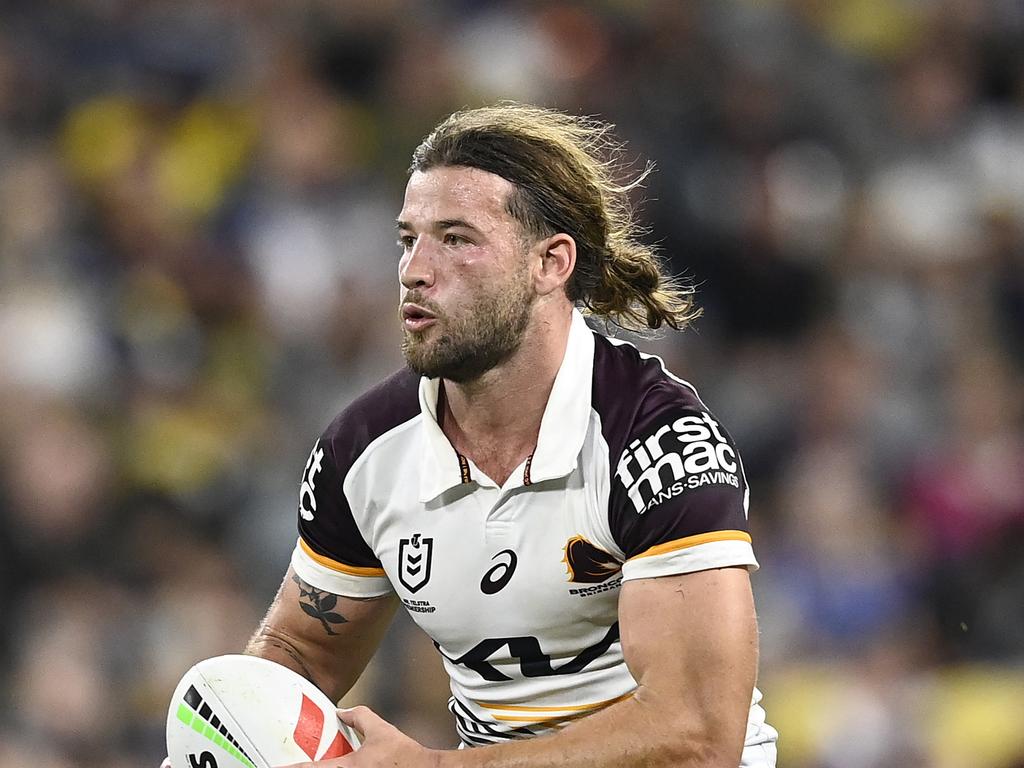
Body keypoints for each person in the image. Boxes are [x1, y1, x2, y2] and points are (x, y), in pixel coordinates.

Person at [187, 103, 779, 767]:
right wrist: (233, 737)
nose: (415, 269)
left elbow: (698, 736)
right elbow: (303, 652)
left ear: (550, 263)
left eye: (457, 239)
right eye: (408, 239)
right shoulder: (364, 450)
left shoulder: (658, 443)